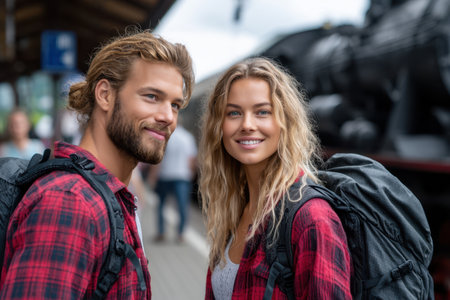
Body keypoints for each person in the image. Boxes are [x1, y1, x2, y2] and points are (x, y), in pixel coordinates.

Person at [0, 29, 194, 299]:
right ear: (104, 94)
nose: (167, 117)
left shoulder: (108, 196)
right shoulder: (70, 202)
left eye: (175, 105)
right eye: (152, 96)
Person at [199, 57, 352, 299]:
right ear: (218, 126)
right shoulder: (235, 207)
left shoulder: (311, 218)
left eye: (262, 112)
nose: (247, 125)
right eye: (234, 113)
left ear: (285, 122)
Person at [151, 119, 197, 242]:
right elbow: (191, 159)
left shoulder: (165, 137)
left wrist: (153, 176)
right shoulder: (188, 137)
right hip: (182, 176)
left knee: (161, 205)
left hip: (165, 175)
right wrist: (191, 174)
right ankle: (181, 233)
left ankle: (161, 232)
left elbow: (157, 159)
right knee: (182, 206)